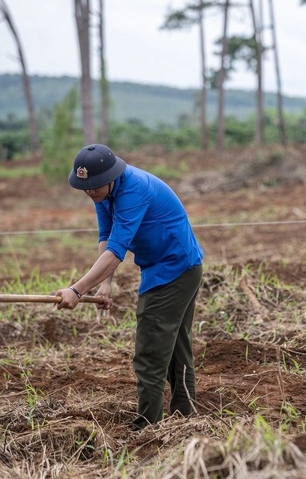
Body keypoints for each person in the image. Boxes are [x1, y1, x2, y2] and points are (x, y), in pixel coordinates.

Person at [54, 143, 204, 430]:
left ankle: (147, 427)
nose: (90, 192)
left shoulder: (134, 190)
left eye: (95, 186)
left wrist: (76, 290)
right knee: (174, 349)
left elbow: (117, 250)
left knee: (150, 352)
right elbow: (107, 237)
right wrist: (105, 286)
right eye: (85, 186)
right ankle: (185, 418)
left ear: (111, 176)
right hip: (173, 266)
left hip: (174, 270)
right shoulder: (104, 192)